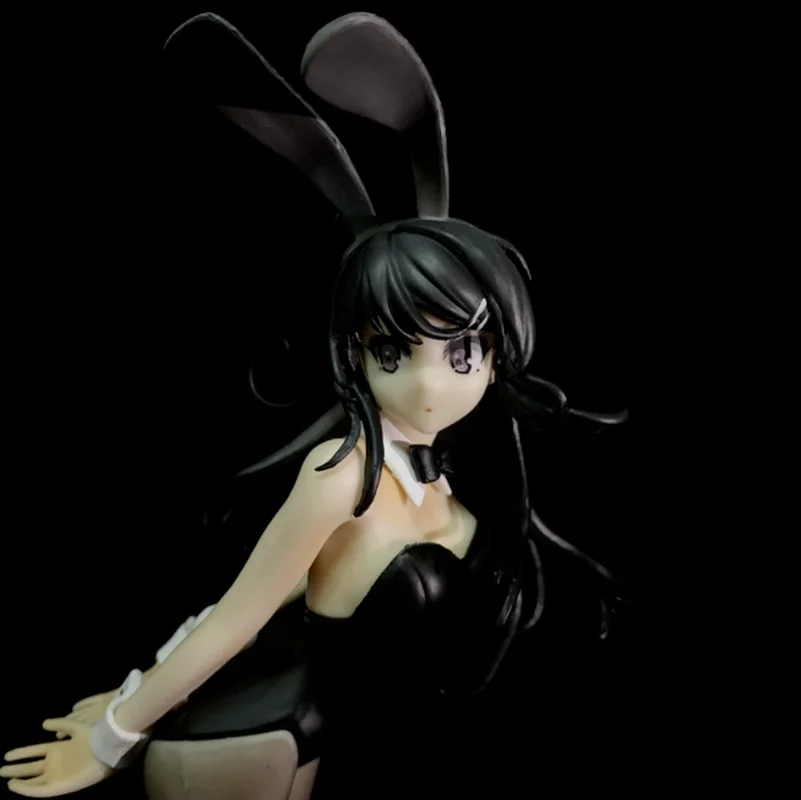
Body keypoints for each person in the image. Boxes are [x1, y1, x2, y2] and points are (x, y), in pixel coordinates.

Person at [1, 13, 629, 800]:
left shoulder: (435, 472)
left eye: (461, 353)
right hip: (256, 741)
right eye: (391, 352)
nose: (428, 385)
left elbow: (296, 588)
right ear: (352, 353)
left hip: (331, 734)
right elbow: (240, 614)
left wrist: (144, 685)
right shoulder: (339, 475)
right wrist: (114, 734)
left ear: (499, 352)